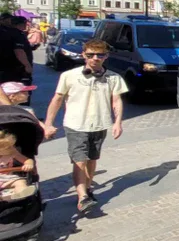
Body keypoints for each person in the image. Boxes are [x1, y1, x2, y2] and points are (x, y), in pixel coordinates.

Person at [43, 38, 127, 213]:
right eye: (90, 55)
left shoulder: (114, 78)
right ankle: (82, 197)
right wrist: (48, 123)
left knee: (92, 160)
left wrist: (118, 122)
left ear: (106, 56)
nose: (95, 58)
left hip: (100, 124)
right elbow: (57, 99)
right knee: (79, 160)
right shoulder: (68, 76)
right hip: (75, 124)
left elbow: (117, 100)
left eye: (100, 55)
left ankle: (87, 189)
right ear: (83, 55)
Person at [0, 16, 32, 100]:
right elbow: (19, 51)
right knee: (20, 92)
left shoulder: (6, 32)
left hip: (7, 67)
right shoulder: (17, 34)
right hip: (17, 69)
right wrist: (27, 65)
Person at [0, 129, 37, 203]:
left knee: (20, 182)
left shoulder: (12, 152)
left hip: (8, 179)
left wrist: (29, 164)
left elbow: (27, 160)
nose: (12, 148)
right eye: (8, 147)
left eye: (12, 146)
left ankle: (21, 192)